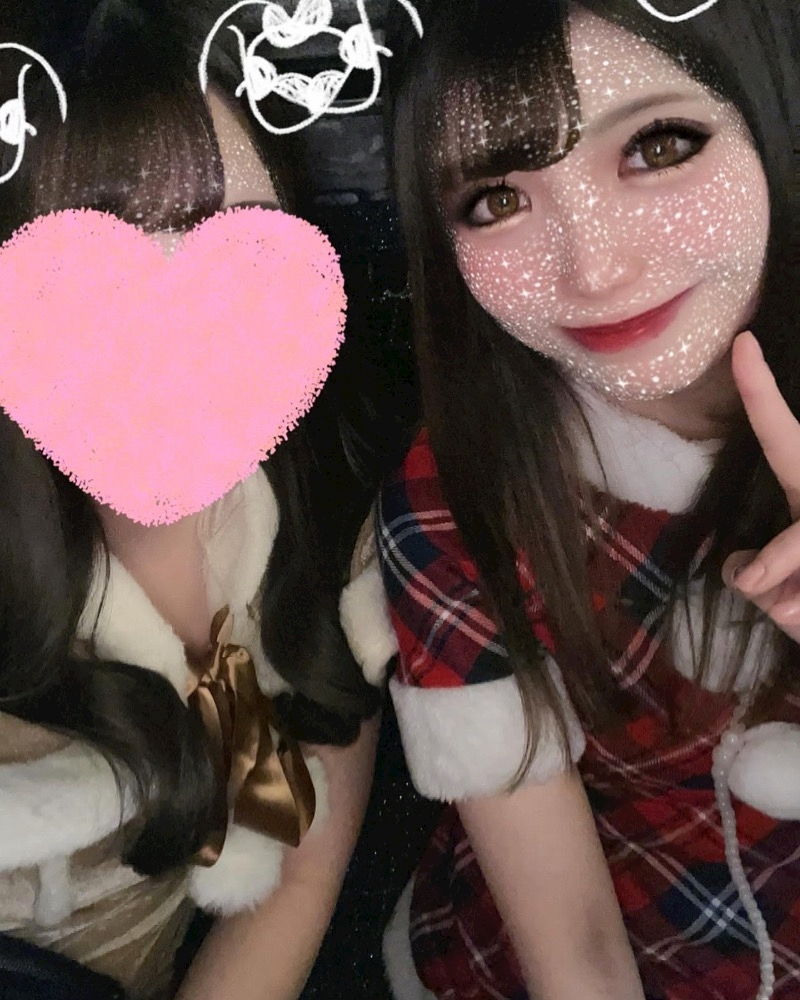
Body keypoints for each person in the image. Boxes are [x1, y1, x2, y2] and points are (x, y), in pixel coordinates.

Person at [376, 0, 800, 997]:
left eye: (658, 145)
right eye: (495, 200)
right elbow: (575, 953)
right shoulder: (456, 499)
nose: (594, 269)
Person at [0, 2, 387, 998]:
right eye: (84, 265)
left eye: (231, 244)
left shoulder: (321, 516)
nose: (172, 325)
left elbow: (296, 869)